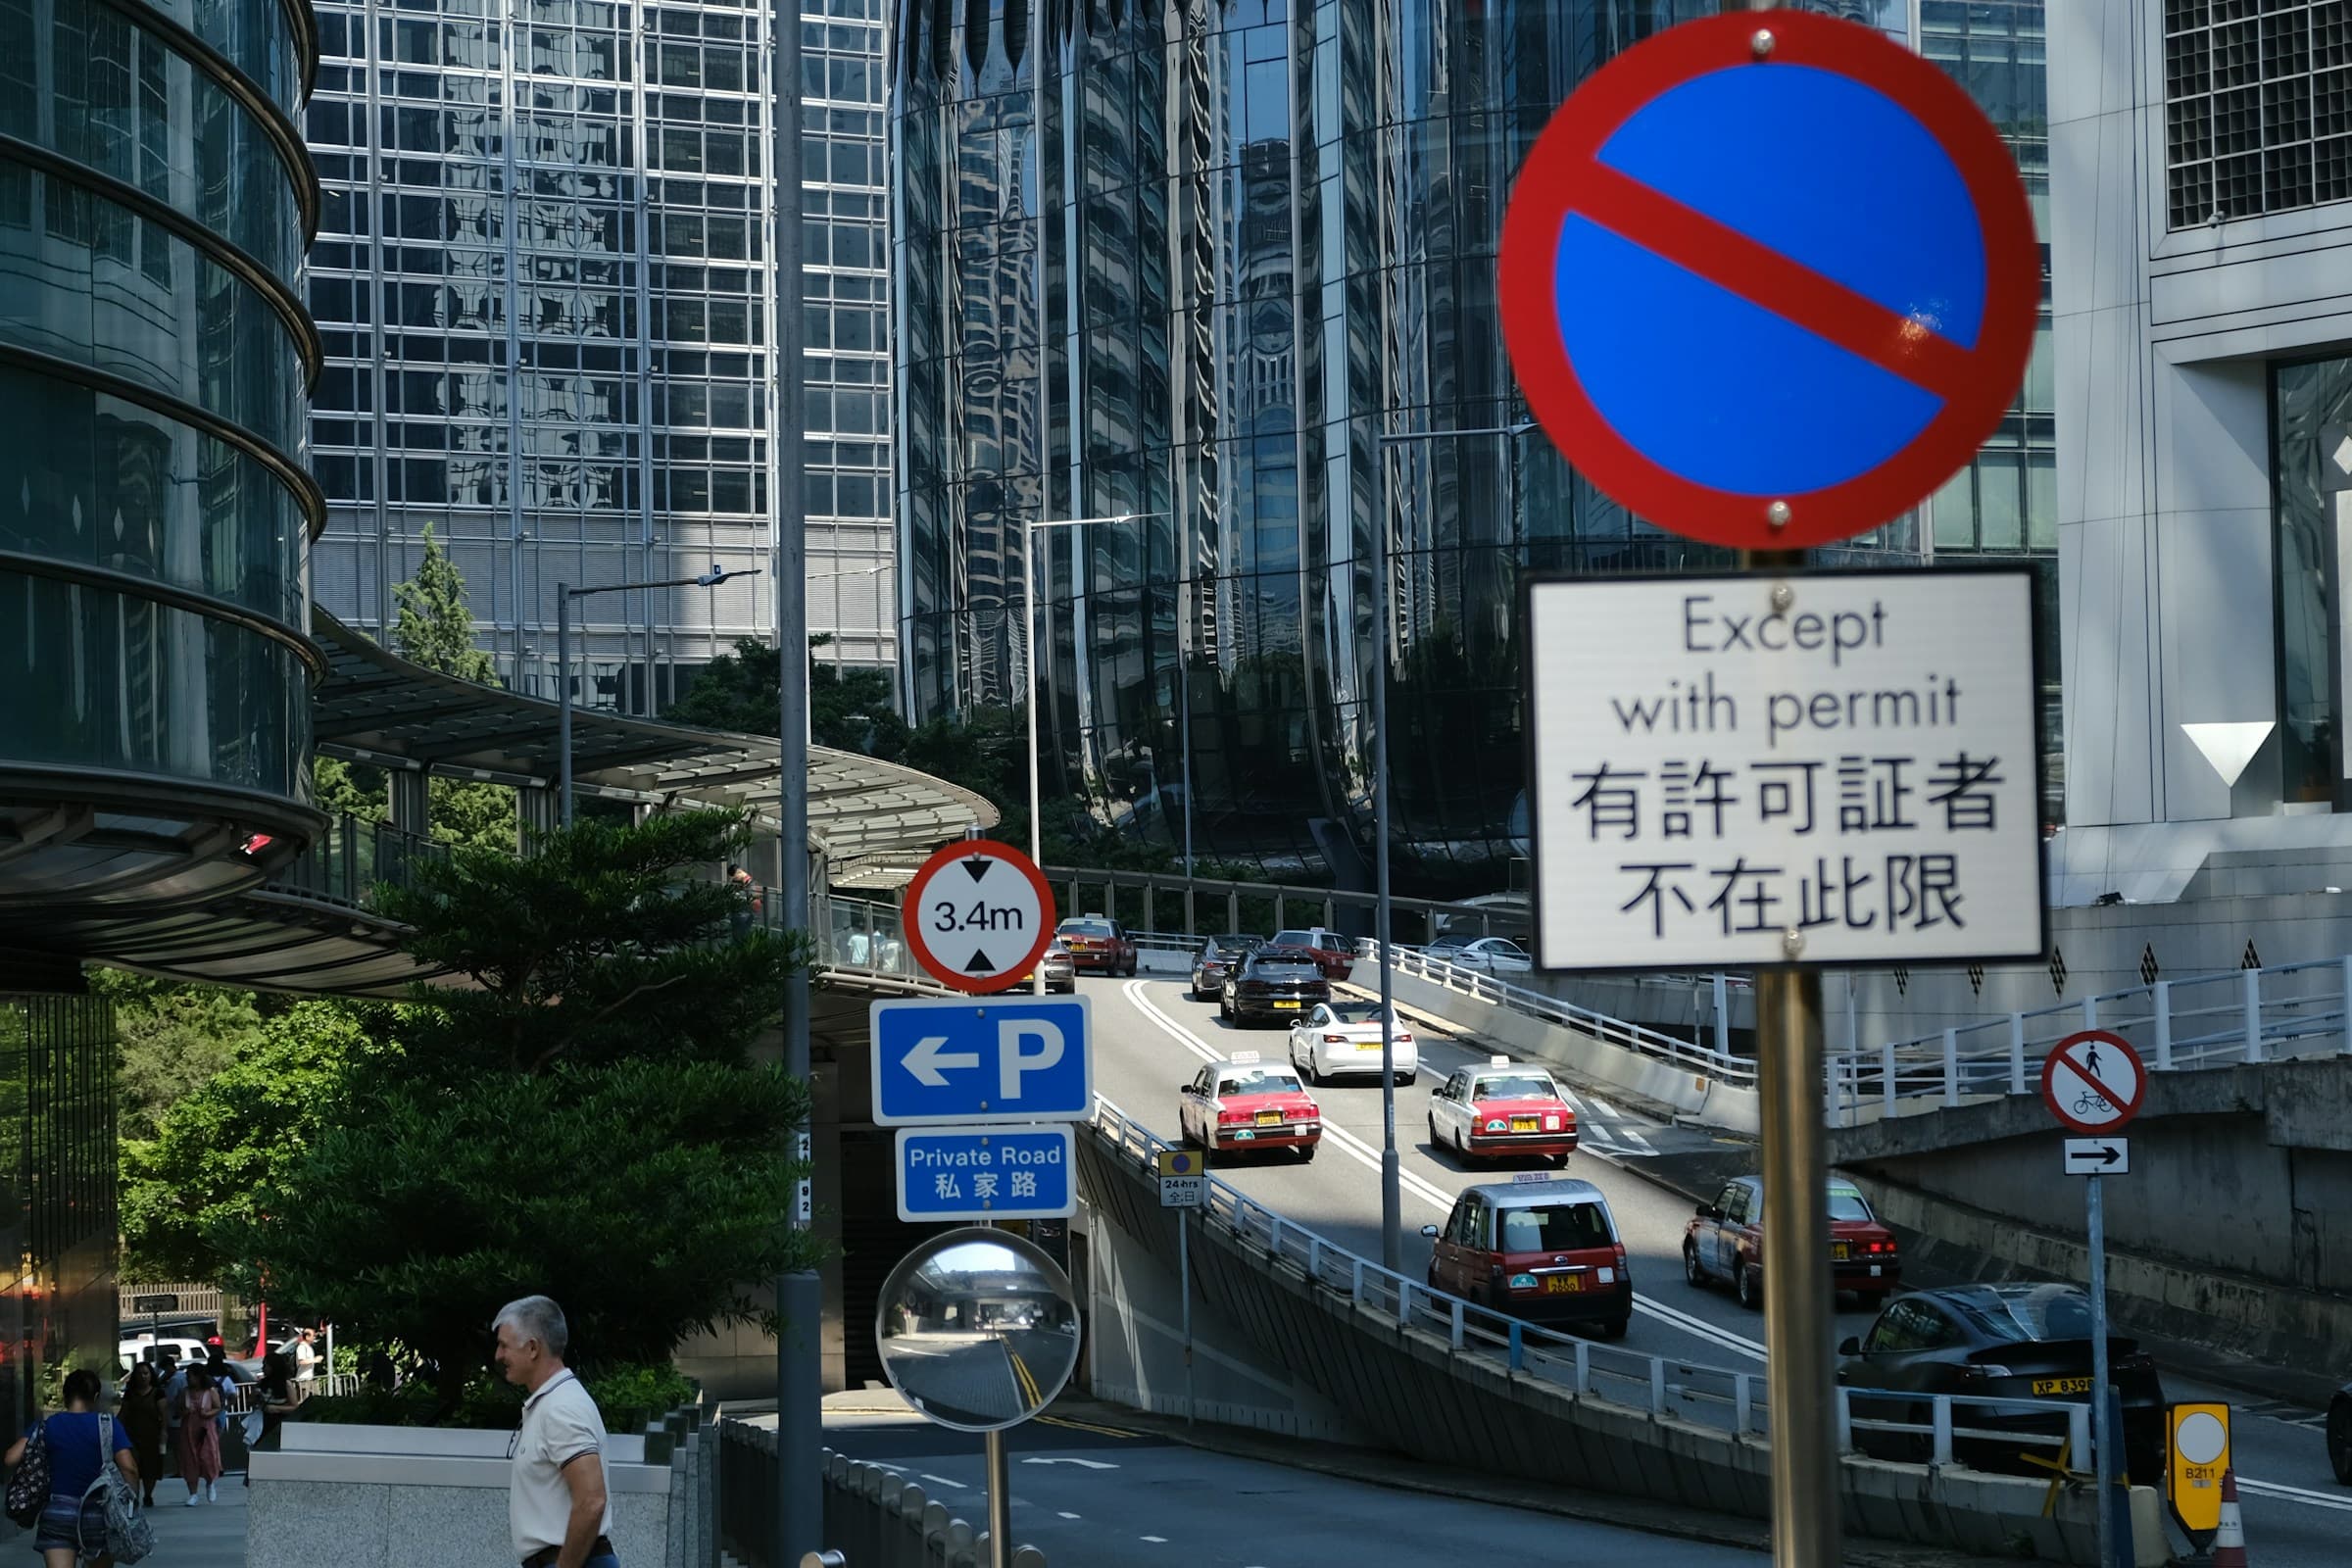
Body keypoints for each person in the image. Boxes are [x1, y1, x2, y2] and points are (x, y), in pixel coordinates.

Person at [492, 1296, 615, 1568]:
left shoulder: (562, 1407)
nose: (498, 1356)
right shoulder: (553, 1402)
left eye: (504, 1346)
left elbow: (592, 1500)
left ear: (533, 1348)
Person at [4, 1368, 138, 1567]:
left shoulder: (46, 1426)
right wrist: (131, 1502)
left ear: (65, 1395)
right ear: (95, 1396)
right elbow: (129, 1468)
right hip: (99, 1514)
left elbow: (10, 1458)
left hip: (58, 1512)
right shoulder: (108, 1425)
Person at [241, 1351, 304, 1490]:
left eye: (266, 1365)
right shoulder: (262, 1383)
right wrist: (255, 1397)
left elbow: (294, 1406)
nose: (263, 1368)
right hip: (262, 1422)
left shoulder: (285, 1385)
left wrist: (276, 1408)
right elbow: (250, 1401)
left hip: (277, 1423)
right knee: (255, 1451)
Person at [116, 1363, 168, 1507]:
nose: (143, 1376)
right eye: (140, 1373)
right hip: (132, 1435)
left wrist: (164, 1433)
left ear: (151, 1375)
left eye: (146, 1373)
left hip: (152, 1436)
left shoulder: (158, 1393)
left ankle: (148, 1495)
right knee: (134, 1466)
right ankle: (134, 1495)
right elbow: (123, 1414)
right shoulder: (130, 1393)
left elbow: (164, 1415)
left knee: (150, 1468)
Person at [172, 1365, 222, 1505]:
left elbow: (218, 1407)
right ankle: (193, 1493)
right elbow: (177, 1411)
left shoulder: (210, 1391)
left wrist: (208, 1414)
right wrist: (185, 1412)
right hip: (188, 1430)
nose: (188, 1379)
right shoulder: (185, 1392)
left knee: (207, 1458)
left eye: (191, 1376)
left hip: (205, 1429)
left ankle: (210, 1482)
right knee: (189, 1460)